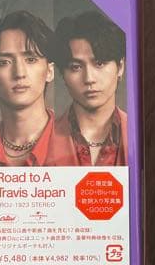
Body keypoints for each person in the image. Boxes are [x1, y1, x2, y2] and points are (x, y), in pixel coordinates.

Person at [0, 11, 66, 170]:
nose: (19, 73)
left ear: (49, 71)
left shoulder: (81, 150)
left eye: (31, 60)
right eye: (4, 62)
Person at [50, 10, 128, 166]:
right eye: (76, 67)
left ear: (120, 67)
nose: (89, 78)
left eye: (99, 63)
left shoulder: (141, 135)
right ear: (62, 74)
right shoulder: (41, 141)